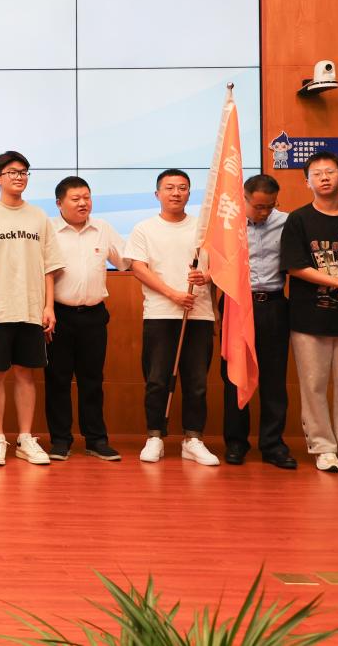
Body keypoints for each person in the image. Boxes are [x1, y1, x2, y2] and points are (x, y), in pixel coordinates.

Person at [0, 151, 62, 466]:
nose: (19, 177)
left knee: (25, 374)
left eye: (23, 172)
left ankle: (25, 438)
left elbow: (49, 267)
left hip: (31, 308)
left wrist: (49, 306)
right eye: (12, 172)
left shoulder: (39, 217)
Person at [280, 152, 338, 474]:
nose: (324, 177)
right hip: (310, 318)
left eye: (330, 172)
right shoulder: (299, 219)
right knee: (313, 385)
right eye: (316, 173)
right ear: (307, 181)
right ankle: (323, 448)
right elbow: (295, 267)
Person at [126, 168, 220, 466]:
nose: (176, 193)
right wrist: (172, 294)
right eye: (169, 188)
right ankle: (155, 436)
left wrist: (207, 276)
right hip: (160, 313)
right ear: (158, 194)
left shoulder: (204, 229)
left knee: (197, 382)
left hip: (199, 314)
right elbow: (138, 267)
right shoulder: (144, 228)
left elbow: (222, 265)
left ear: (189, 193)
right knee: (157, 379)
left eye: (182, 188)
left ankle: (193, 439)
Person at [45, 176, 129, 462]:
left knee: (92, 380)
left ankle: (96, 440)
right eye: (76, 199)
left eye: (87, 197)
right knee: (57, 380)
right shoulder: (48, 230)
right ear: (59, 203)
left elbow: (126, 261)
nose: (83, 203)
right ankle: (60, 440)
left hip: (93, 316)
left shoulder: (102, 228)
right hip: (58, 315)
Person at [221, 174, 297, 470]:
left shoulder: (288, 222)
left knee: (274, 378)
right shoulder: (228, 225)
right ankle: (236, 443)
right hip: (237, 305)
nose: (265, 212)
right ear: (244, 199)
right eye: (259, 207)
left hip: (274, 304)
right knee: (234, 376)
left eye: (270, 206)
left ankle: (273, 445)